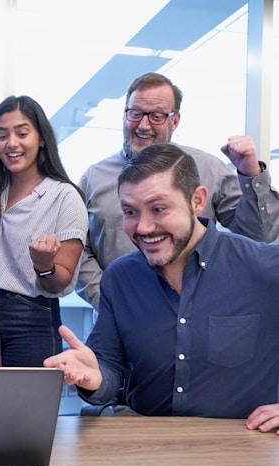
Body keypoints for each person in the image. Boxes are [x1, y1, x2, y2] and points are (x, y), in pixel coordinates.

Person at [44, 143, 279, 427]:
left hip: (240, 451)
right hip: (146, 448)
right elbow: (109, 371)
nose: (142, 228)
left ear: (197, 200)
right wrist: (95, 378)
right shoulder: (120, 278)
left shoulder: (263, 268)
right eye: (130, 212)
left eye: (158, 209)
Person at [77, 72, 279, 310]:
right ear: (124, 114)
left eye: (156, 116)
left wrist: (251, 174)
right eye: (135, 113)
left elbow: (257, 236)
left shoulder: (208, 170)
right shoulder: (93, 178)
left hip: (199, 316)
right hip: (119, 324)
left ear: (175, 121)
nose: (143, 125)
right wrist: (109, 297)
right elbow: (77, 251)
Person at [0, 96, 88, 367]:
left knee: (25, 408)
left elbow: (60, 282)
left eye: (22, 133)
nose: (12, 143)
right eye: (3, 135)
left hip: (30, 319)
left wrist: (44, 266)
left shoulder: (64, 196)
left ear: (42, 139)